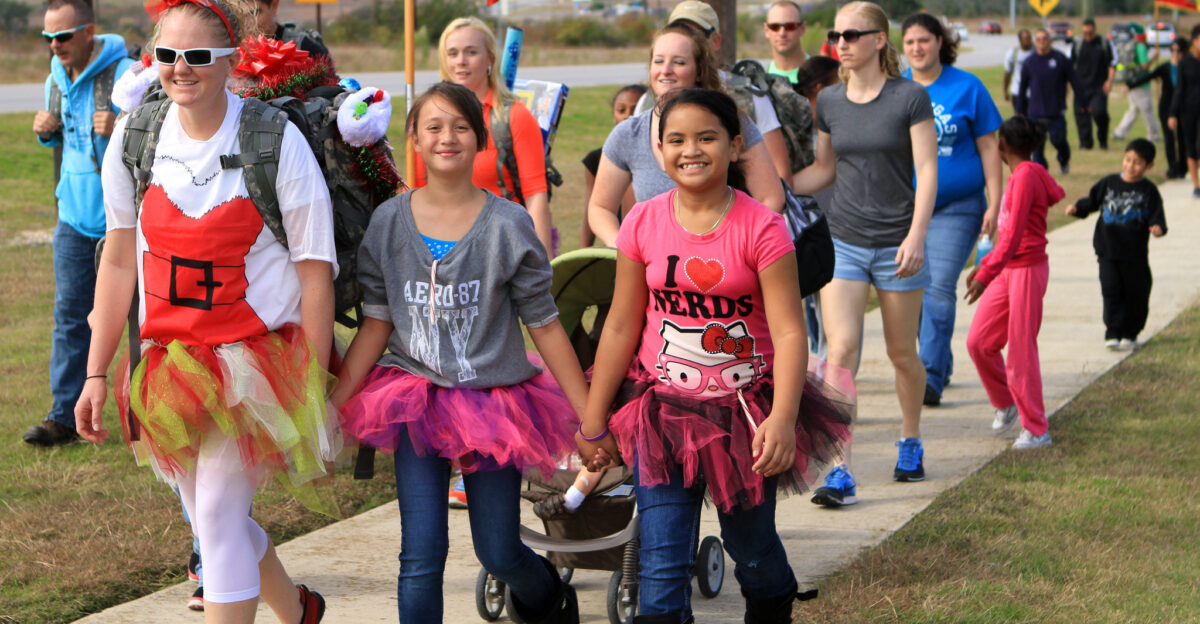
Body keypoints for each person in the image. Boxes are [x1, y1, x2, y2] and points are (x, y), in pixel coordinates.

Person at [77, 0, 337, 620]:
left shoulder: (276, 141)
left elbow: (315, 272)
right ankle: (298, 610)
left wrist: (314, 383)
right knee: (213, 518)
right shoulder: (136, 139)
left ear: (230, 62)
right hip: (170, 362)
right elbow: (117, 262)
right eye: (167, 55)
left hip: (257, 360)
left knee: (218, 515)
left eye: (197, 56)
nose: (180, 69)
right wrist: (93, 372)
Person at [576, 87, 852, 624]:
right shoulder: (642, 222)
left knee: (751, 551)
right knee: (659, 571)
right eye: (675, 139)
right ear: (658, 150)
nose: (691, 150)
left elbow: (791, 333)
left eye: (706, 137)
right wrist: (592, 421)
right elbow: (620, 326)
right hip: (662, 413)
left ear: (734, 144)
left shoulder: (763, 227)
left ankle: (775, 601)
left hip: (747, 416)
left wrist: (784, 417)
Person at [332, 81, 588, 624]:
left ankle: (549, 601)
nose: (447, 137)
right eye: (433, 127)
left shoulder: (508, 223)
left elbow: (544, 325)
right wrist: (338, 398)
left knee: (497, 550)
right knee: (421, 553)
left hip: (493, 403)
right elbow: (376, 323)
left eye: (461, 126)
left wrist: (589, 417)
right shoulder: (388, 223)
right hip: (414, 400)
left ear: (480, 140)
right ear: (414, 142)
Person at [791, 1, 937, 506]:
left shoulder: (910, 97)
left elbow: (927, 169)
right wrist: (775, 184)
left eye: (853, 34)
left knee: (902, 354)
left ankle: (911, 438)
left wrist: (917, 234)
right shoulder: (828, 100)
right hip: (846, 240)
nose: (842, 43)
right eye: (837, 34)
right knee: (842, 349)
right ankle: (839, 469)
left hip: (899, 242)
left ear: (879, 40)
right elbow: (824, 169)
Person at [25, 0, 134, 447]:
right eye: (48, 38)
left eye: (64, 36)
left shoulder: (127, 73)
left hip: (124, 221)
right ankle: (64, 419)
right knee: (70, 317)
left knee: (145, 320)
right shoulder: (56, 74)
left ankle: (149, 417)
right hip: (72, 215)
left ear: (90, 31)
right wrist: (43, 129)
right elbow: (63, 133)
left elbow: (162, 132)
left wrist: (123, 122)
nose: (55, 45)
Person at [587, 23, 785, 247]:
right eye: (658, 61)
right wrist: (625, 249)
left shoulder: (733, 121)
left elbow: (771, 198)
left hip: (724, 266)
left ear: (699, 71)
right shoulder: (628, 134)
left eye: (679, 62)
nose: (666, 70)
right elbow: (600, 208)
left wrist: (735, 246)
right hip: (655, 273)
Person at [901, 13, 1003, 408]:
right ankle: (937, 356)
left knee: (939, 287)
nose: (917, 48)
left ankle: (931, 375)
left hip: (958, 208)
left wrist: (995, 203)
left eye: (924, 40)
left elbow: (989, 148)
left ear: (940, 41)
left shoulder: (967, 87)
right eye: (910, 42)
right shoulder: (897, 89)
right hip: (907, 210)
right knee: (913, 292)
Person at [964, 116, 1065, 451]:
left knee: (1020, 352)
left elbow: (1012, 240)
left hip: (1025, 271)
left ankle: (1037, 430)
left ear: (1003, 145)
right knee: (979, 341)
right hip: (1008, 269)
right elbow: (1006, 238)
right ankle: (1006, 402)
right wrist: (985, 265)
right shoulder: (1022, 175)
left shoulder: (1025, 177)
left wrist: (983, 274)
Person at [414, 17, 555, 255]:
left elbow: (536, 197)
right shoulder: (428, 118)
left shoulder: (515, 116)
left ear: (490, 58)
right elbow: (417, 190)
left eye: (471, 52)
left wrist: (544, 270)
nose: (461, 61)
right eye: (453, 53)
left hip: (504, 247)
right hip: (444, 248)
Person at [633, 1, 793, 182]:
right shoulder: (647, 103)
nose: (687, 39)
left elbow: (780, 175)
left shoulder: (746, 96)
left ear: (716, 41)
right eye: (679, 31)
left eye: (697, 33)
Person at [1065, 138, 1166, 350]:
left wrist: (1157, 227)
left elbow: (1157, 214)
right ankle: (1112, 331)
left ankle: (1131, 332)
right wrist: (1077, 208)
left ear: (1149, 166)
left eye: (1137, 162)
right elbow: (1092, 201)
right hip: (1108, 251)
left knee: (1137, 293)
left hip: (1135, 255)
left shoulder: (1149, 190)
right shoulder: (1109, 183)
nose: (1130, 166)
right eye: (1128, 160)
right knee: (1111, 290)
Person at [581, 84, 645, 247]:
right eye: (621, 110)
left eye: (635, 109)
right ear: (613, 115)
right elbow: (592, 208)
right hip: (615, 246)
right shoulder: (596, 159)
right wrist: (583, 254)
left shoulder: (653, 157)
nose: (627, 116)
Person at [1019, 28, 1088, 174]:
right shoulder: (1029, 62)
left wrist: (1084, 102)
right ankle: (1042, 172)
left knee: (1059, 140)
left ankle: (1064, 160)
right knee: (1036, 147)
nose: (1042, 41)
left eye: (1045, 38)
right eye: (1038, 39)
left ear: (1050, 40)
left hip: (1055, 110)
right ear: (1035, 43)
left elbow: (1075, 81)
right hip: (1035, 111)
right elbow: (1022, 88)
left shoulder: (1060, 59)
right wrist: (1020, 111)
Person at [1129, 37, 1189, 179]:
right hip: (1166, 107)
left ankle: (1182, 166)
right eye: (1172, 50)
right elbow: (1149, 76)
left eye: (1178, 50)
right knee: (1168, 139)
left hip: (1183, 108)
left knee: (1182, 138)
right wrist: (1130, 85)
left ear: (1184, 52)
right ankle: (1172, 167)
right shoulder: (1165, 67)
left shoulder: (1188, 67)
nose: (1175, 53)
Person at [1112, 22, 1162, 143]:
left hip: (1132, 82)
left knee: (1133, 110)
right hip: (1140, 85)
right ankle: (1154, 134)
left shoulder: (1133, 46)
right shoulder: (1141, 47)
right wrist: (1154, 58)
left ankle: (1119, 132)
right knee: (1147, 110)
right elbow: (1144, 66)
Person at [1071, 18, 1116, 150]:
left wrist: (1109, 81)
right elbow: (1071, 66)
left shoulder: (1103, 44)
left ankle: (1103, 140)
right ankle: (1086, 144)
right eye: (1085, 33)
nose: (1088, 36)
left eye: (1090, 32)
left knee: (1099, 112)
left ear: (1095, 30)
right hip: (1081, 87)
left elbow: (1112, 64)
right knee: (1081, 116)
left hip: (1099, 87)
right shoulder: (1078, 45)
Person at [1168, 25, 1200, 199]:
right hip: (1187, 111)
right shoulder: (1185, 63)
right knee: (1191, 148)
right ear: (1194, 41)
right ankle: (1196, 185)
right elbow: (1179, 89)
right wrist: (1173, 113)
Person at [252, 0, 330, 59]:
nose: (249, 22)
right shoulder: (240, 51)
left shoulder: (304, 47)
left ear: (274, 6)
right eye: (242, 15)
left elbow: (331, 78)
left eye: (255, 13)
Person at [763, 0, 809, 83]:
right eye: (775, 27)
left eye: (790, 26)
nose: (782, 33)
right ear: (766, 30)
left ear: (803, 28)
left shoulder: (822, 75)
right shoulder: (760, 80)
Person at [1003, 29, 1034, 115]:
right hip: (1018, 92)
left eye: (1029, 38)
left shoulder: (1036, 52)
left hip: (1034, 93)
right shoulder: (1013, 53)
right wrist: (1005, 90)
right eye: (1025, 38)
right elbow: (1008, 73)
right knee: (1020, 121)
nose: (1028, 41)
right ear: (1020, 40)